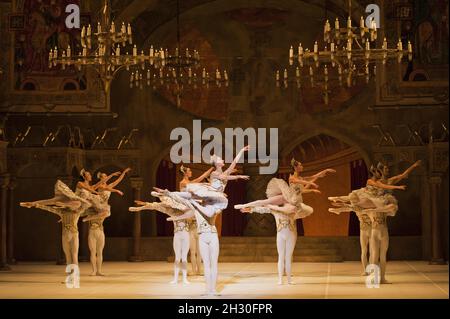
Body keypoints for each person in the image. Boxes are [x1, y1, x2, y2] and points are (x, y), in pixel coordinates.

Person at [83, 168, 131, 276]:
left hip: (102, 208)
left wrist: (123, 173)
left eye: (106, 176)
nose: (105, 177)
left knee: (106, 213)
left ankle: (99, 271)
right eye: (104, 176)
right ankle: (94, 271)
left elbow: (117, 181)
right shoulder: (100, 186)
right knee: (93, 251)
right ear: (101, 178)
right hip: (97, 204)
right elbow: (108, 188)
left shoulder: (108, 186)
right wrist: (116, 189)